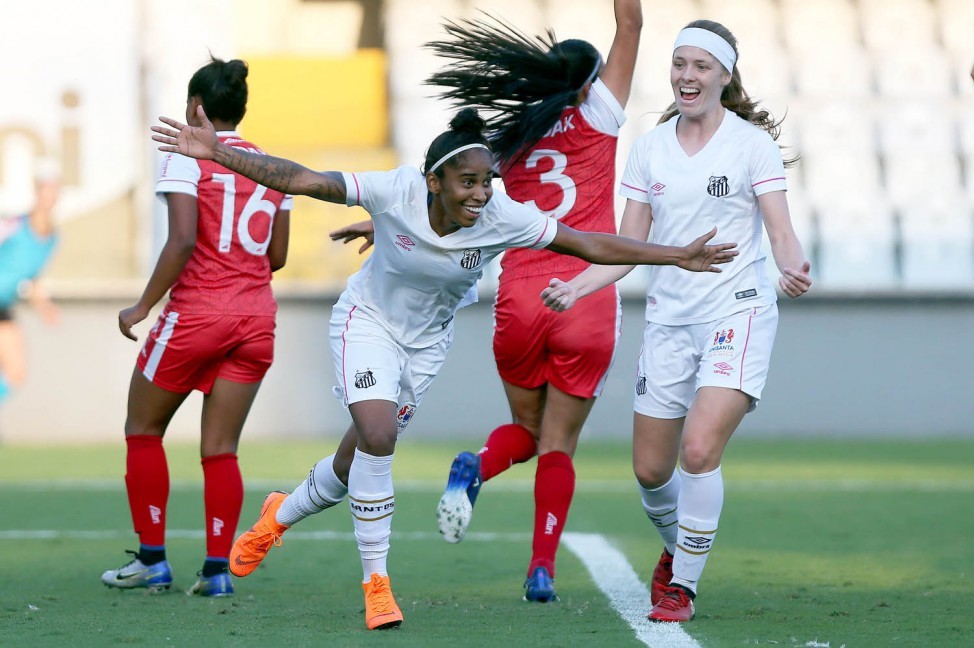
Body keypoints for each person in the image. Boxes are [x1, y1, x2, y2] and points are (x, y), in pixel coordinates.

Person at [151, 105, 737, 630]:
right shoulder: (395, 190)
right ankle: (377, 586)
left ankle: (280, 513)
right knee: (380, 436)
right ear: (433, 183)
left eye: (487, 180)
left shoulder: (503, 214)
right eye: (467, 182)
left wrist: (679, 254)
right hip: (367, 322)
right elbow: (306, 180)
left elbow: (589, 244)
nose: (481, 193)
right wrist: (216, 153)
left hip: (425, 346)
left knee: (355, 455)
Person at [540, 19, 812, 622]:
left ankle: (682, 586)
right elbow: (626, 246)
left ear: (724, 75)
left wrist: (793, 267)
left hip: (736, 313)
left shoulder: (751, 146)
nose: (687, 76)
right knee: (649, 469)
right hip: (669, 322)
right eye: (680, 64)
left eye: (701, 66)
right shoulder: (651, 147)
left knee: (697, 449)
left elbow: (781, 232)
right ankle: (677, 548)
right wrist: (578, 285)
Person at [415, 1, 643, 602]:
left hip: (519, 295)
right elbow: (630, 26)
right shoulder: (602, 116)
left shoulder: (503, 141)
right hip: (584, 294)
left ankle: (476, 468)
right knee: (557, 445)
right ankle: (541, 568)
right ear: (588, 83)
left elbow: (450, 194)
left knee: (525, 427)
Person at [101, 57, 292, 598]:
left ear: (195, 109)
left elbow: (182, 240)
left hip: (196, 314)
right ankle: (215, 572)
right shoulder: (273, 167)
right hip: (256, 318)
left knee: (142, 430)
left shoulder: (187, 157)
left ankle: (153, 561)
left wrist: (141, 307)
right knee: (221, 449)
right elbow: (275, 256)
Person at [0, 174, 60, 413]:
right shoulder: (14, 225)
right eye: (45, 192)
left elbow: (31, 279)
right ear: (37, 195)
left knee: (16, 373)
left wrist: (45, 307)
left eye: (53, 194)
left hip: (4, 307)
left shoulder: (51, 239)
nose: (48, 199)